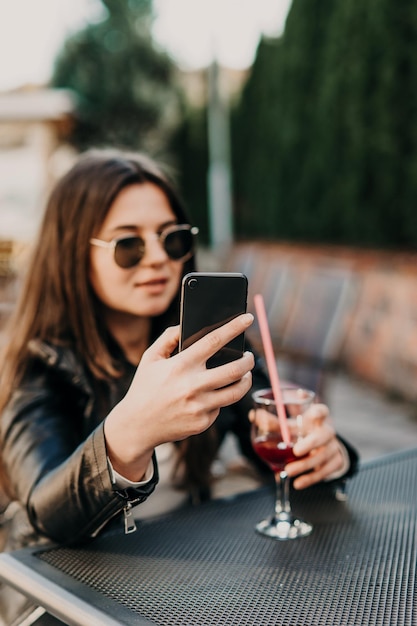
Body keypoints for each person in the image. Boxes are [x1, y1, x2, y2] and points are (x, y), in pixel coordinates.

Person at [0, 148, 358, 625]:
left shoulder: (205, 343)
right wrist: (127, 434)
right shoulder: (38, 365)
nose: (156, 260)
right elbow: (47, 513)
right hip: (66, 601)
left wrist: (328, 453)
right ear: (72, 253)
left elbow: (276, 440)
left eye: (172, 240)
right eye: (128, 245)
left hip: (187, 580)